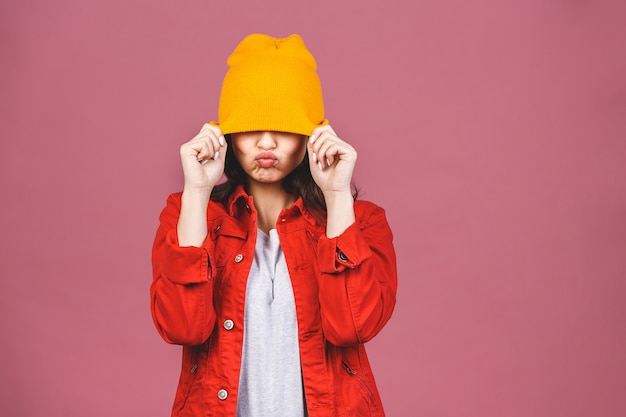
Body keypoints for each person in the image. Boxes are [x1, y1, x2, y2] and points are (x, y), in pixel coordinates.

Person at [150, 33, 397, 417]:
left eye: (283, 127)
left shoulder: (359, 222)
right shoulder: (190, 215)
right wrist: (197, 192)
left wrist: (336, 195)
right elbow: (182, 327)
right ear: (227, 134)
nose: (266, 143)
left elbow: (353, 326)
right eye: (250, 127)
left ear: (311, 135)